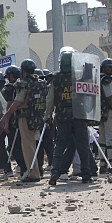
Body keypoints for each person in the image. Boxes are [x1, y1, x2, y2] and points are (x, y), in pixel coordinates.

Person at [45, 47, 94, 185]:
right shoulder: (81, 77)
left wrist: (47, 115)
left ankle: (55, 172)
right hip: (79, 115)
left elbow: (50, 99)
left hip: (62, 116)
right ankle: (87, 175)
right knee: (83, 146)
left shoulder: (55, 78)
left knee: (60, 145)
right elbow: (89, 95)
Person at [1, 59, 48, 183]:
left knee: (28, 145)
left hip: (25, 117)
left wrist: (7, 115)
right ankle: (38, 170)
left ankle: (32, 173)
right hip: (38, 116)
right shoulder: (41, 83)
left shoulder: (22, 83)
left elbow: (18, 102)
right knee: (37, 145)